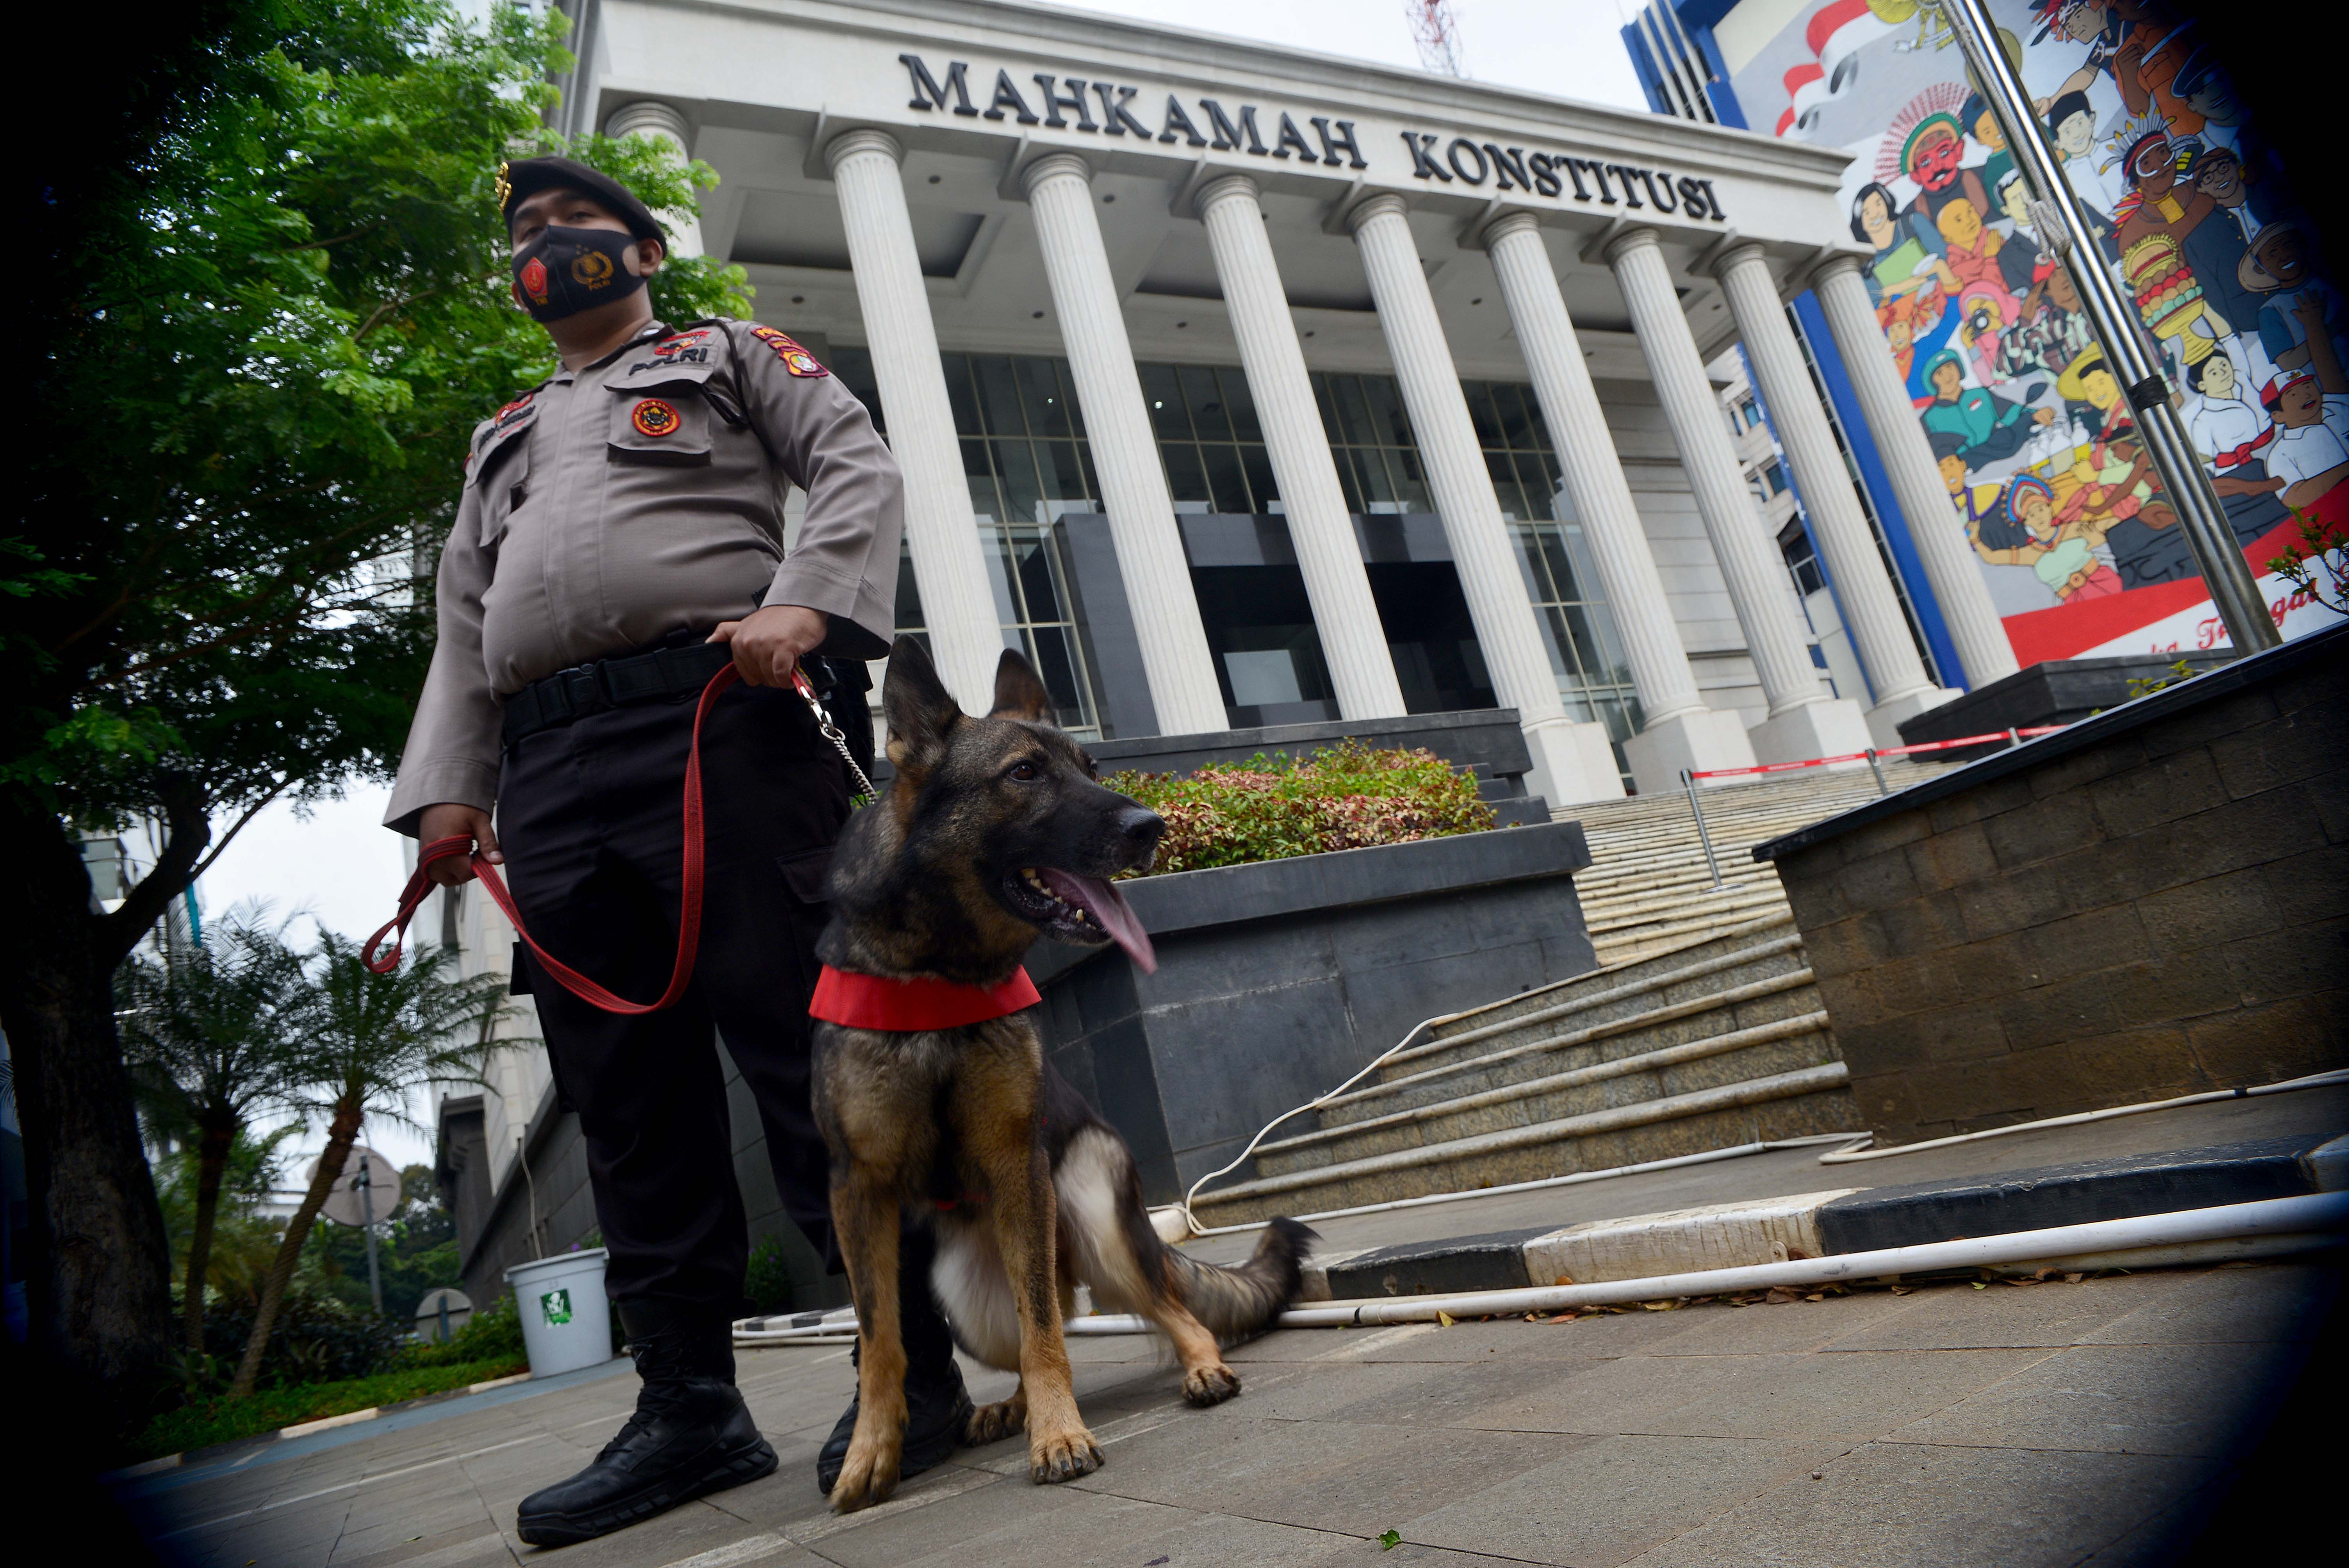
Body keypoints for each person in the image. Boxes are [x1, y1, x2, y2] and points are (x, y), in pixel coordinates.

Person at [382, 157, 962, 1545]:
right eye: (523, 233)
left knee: (795, 1048)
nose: (545, 248)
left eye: (569, 226)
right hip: (550, 773)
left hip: (717, 723)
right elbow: (465, 627)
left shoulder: (728, 354)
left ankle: (913, 1367)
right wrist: (449, 796)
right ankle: (690, 1406)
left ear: (639, 251)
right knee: (624, 1094)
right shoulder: (501, 434)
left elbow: (853, 464)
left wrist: (807, 606)